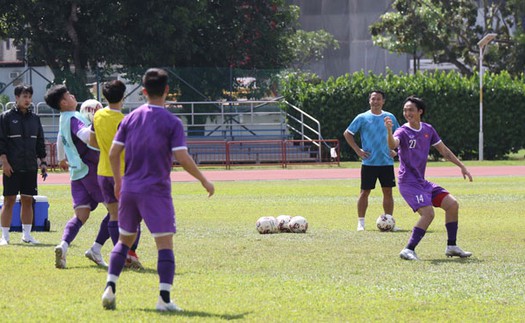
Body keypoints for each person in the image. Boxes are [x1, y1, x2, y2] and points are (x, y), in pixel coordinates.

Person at [101, 68, 215, 312]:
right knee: (164, 245)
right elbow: (182, 157)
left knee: (124, 240)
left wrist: (119, 182)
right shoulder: (172, 122)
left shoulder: (129, 118)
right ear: (167, 91)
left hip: (129, 189)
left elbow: (113, 153)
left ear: (143, 91)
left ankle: (110, 286)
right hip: (156, 190)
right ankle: (164, 298)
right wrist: (204, 180)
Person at [385, 96, 473, 261]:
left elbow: (444, 151)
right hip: (408, 183)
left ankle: (452, 246)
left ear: (420, 111)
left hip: (422, 182)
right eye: (405, 110)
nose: (407, 113)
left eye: (411, 109)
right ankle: (408, 249)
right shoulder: (402, 131)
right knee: (428, 214)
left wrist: (461, 166)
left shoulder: (428, 130)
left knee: (452, 205)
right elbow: (392, 144)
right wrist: (389, 131)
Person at [45, 86, 109, 268]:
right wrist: (98, 124)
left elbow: (60, 139)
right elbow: (86, 137)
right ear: (63, 102)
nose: (73, 95)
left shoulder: (63, 118)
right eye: (69, 95)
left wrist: (61, 158)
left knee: (81, 214)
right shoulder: (74, 118)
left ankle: (63, 245)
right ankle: (96, 249)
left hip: (76, 173)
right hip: (90, 170)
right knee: (116, 210)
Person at [89, 80, 143, 270]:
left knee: (114, 214)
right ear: (123, 97)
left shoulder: (98, 116)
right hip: (125, 173)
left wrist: (106, 149)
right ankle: (130, 253)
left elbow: (92, 141)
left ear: (104, 97)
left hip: (103, 171)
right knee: (134, 215)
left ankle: (122, 254)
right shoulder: (126, 120)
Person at [343, 90, 400, 231]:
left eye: (378, 99)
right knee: (364, 192)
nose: (375, 101)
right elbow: (348, 133)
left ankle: (389, 221)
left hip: (386, 163)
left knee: (388, 192)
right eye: (373, 99)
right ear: (369, 101)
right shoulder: (362, 117)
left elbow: (400, 135)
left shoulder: (390, 117)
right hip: (369, 163)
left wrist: (397, 151)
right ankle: (361, 223)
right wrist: (358, 150)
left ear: (383, 101)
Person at [0, 84, 47, 245]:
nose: (27, 100)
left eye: (29, 97)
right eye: (24, 96)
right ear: (17, 98)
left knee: (28, 200)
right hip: (11, 167)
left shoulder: (35, 118)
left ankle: (27, 235)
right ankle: (4, 237)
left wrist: (43, 162)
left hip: (30, 167)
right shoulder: (5, 117)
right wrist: (4, 163)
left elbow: (40, 142)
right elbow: (1, 142)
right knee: (9, 200)